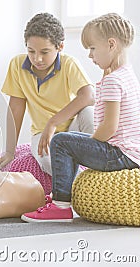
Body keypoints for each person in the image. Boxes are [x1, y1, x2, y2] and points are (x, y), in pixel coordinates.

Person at [21, 13, 140, 222]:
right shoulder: (127, 74)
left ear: (111, 44)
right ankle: (61, 197)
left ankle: (60, 205)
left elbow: (109, 128)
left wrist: (88, 145)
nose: (90, 56)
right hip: (132, 152)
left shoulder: (113, 81)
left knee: (61, 141)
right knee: (73, 140)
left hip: (120, 154)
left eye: (93, 49)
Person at [0, 13, 94, 176]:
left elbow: (88, 96)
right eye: (31, 51)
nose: (37, 59)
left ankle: (96, 166)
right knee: (48, 162)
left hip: (72, 129)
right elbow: (16, 109)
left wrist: (52, 123)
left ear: (60, 47)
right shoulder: (17, 65)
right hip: (42, 135)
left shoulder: (69, 64)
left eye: (44, 52)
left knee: (89, 113)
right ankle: (78, 184)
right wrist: (9, 151)